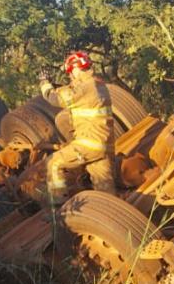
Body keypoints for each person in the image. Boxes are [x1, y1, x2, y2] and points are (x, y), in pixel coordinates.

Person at [39, 50, 116, 205]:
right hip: (103, 145)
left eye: (70, 72)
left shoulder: (85, 87)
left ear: (76, 69)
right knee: (105, 189)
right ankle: (111, 214)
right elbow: (73, 95)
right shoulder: (98, 85)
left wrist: (44, 84)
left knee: (53, 163)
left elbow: (55, 99)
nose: (70, 76)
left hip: (89, 143)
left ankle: (59, 209)